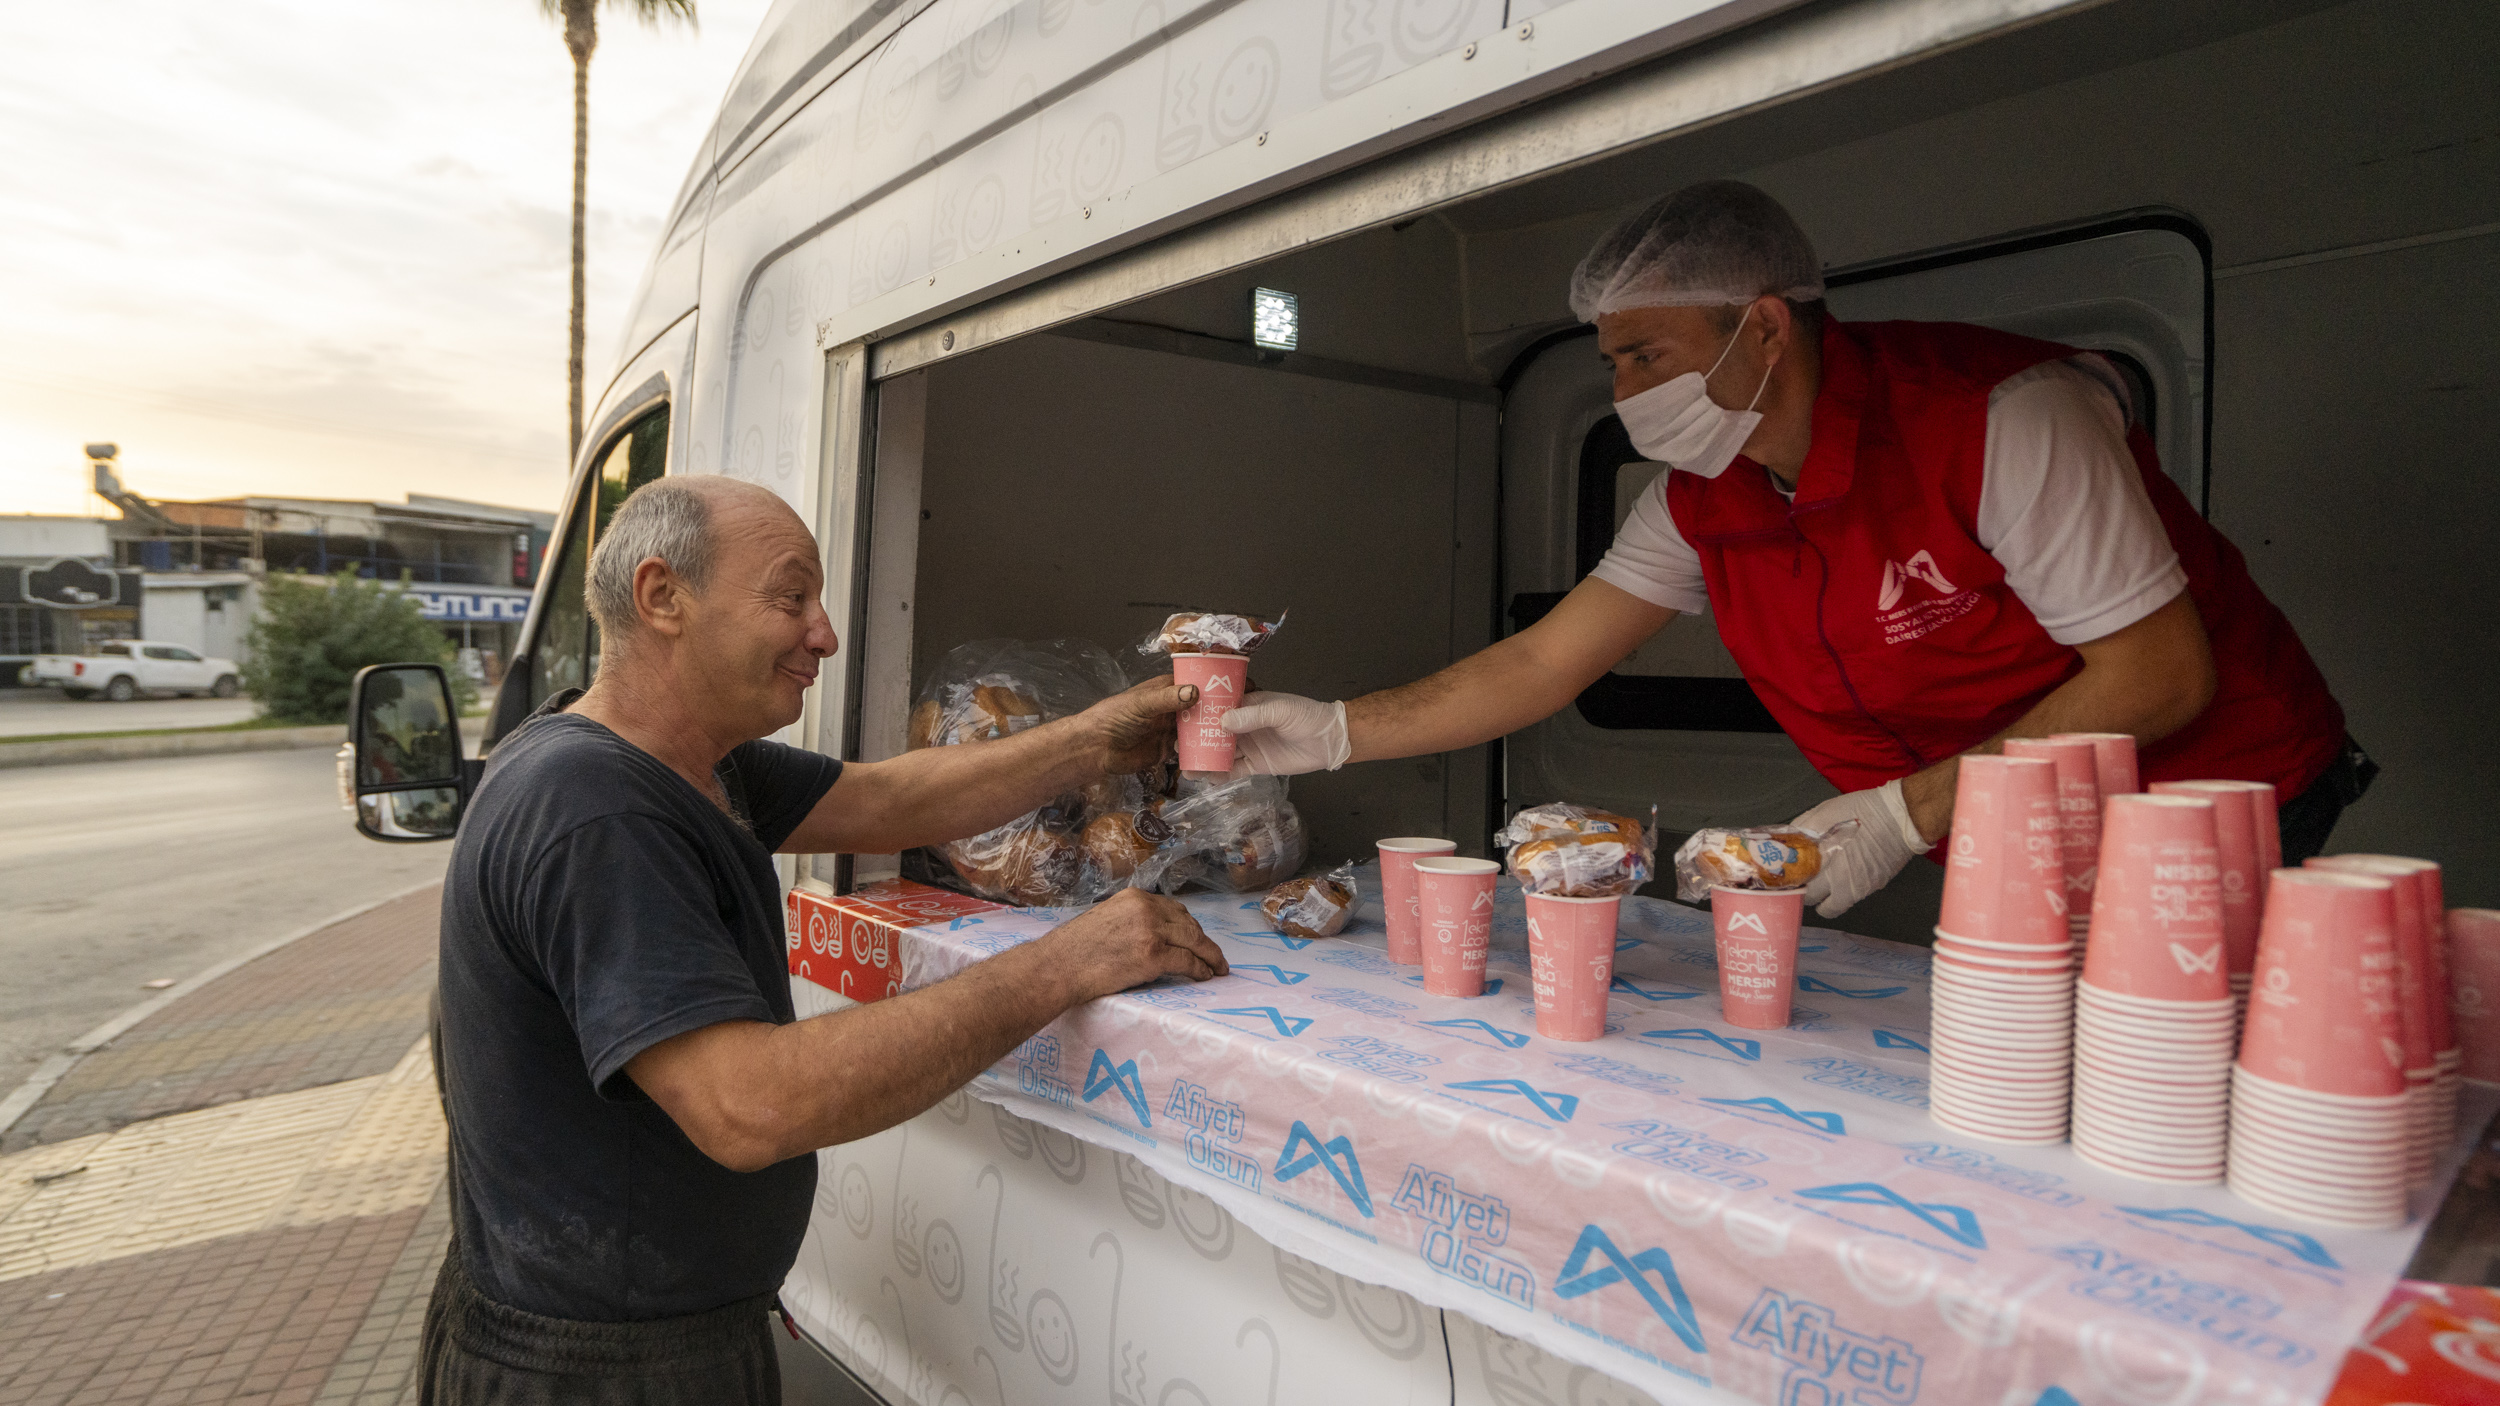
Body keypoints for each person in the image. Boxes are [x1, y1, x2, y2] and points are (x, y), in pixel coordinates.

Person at [1222, 181, 2369, 917]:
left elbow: (2157, 675)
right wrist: (1334, 731)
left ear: (1764, 325)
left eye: (1641, 355)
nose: (1619, 390)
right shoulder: (1701, 497)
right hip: (2018, 820)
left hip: (2218, 797)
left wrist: (1903, 812)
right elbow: (1536, 666)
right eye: (1610, 361)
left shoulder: (1999, 419)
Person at [421, 476, 1228, 1404]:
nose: (825, 633)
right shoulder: (598, 810)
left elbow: (891, 801)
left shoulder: (685, 762)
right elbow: (749, 1105)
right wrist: (1069, 961)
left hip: (655, 1340)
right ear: (662, 597)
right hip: (597, 1374)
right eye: (790, 595)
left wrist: (1095, 738)